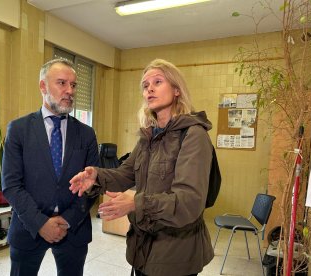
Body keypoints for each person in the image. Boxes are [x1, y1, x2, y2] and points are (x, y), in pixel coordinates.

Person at [70, 59, 214, 276]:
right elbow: (126, 173)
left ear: (176, 90)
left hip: (175, 255)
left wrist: (135, 203)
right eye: (145, 86)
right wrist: (97, 176)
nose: (150, 89)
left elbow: (189, 202)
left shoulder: (194, 135)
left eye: (158, 82)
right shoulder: (149, 135)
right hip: (142, 249)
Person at [2, 58, 99, 276]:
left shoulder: (86, 133)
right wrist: (40, 223)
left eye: (73, 85)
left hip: (73, 228)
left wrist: (67, 220)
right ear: (43, 86)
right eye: (62, 83)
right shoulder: (18, 129)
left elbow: (94, 185)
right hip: (28, 227)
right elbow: (11, 184)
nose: (69, 91)